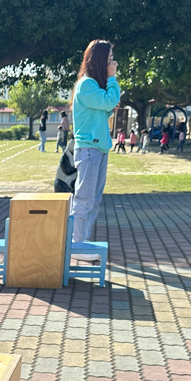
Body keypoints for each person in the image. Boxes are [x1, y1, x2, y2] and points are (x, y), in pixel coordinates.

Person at [70, 39, 120, 244]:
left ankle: (82, 239)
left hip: (98, 147)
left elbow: (104, 108)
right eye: (109, 59)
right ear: (99, 60)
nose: (112, 64)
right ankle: (77, 242)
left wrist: (110, 106)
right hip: (89, 148)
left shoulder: (92, 85)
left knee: (94, 200)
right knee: (84, 198)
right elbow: (109, 100)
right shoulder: (87, 84)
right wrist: (112, 78)